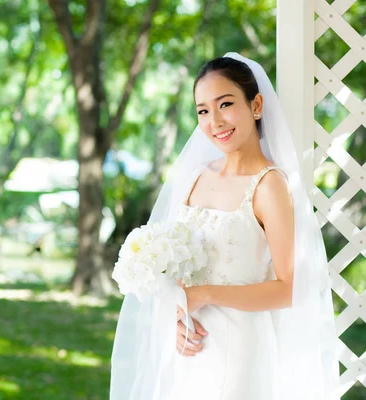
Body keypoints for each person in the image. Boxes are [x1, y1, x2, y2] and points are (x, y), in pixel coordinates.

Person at [109, 53, 339, 400]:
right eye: (203, 110)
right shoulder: (195, 177)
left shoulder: (269, 185)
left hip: (240, 351)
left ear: (256, 105)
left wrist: (205, 295)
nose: (214, 121)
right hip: (188, 347)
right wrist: (176, 319)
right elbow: (178, 269)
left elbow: (291, 287)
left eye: (225, 104)